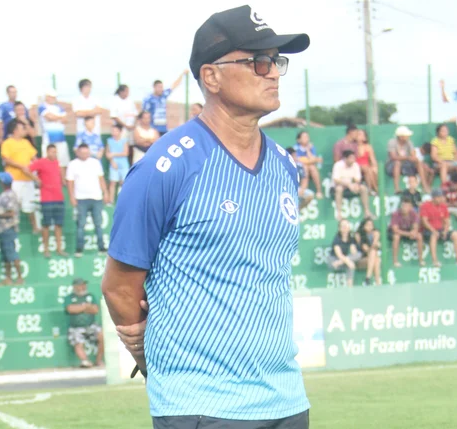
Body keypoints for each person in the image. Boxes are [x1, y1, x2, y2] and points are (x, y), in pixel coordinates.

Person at [102, 5, 311, 427]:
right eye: (258, 61)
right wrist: (153, 357)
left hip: (287, 400)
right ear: (211, 77)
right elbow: (119, 287)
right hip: (202, 405)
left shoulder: (285, 166)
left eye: (276, 61)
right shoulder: (167, 166)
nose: (272, 72)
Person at [66, 143, 108, 258]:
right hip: (81, 199)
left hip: (96, 198)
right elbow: (70, 182)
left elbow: (101, 179)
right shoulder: (72, 164)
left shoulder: (95, 163)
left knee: (98, 225)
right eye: (82, 152)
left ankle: (102, 248)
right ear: (77, 152)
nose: (85, 155)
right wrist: (71, 197)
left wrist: (105, 193)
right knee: (81, 225)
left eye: (87, 152)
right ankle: (79, 249)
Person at [1, 120, 40, 234]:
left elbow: (34, 158)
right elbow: (6, 159)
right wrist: (21, 166)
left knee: (30, 204)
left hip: (28, 179)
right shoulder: (7, 143)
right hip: (15, 179)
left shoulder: (26, 143)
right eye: (22, 128)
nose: (24, 131)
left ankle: (35, 227)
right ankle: (13, 228)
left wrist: (37, 168)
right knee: (13, 205)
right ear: (15, 130)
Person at [30, 144, 67, 258]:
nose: (54, 154)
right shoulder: (41, 162)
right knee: (46, 225)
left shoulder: (58, 163)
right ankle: (46, 249)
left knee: (58, 225)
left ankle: (59, 249)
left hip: (59, 198)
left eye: (55, 152)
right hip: (46, 199)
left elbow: (63, 180)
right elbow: (28, 169)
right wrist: (36, 179)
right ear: (47, 152)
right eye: (52, 152)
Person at [420, 189, 457, 267]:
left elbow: (447, 221)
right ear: (433, 198)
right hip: (428, 230)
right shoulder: (426, 206)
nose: (440, 199)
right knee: (434, 235)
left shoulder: (443, 206)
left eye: (441, 197)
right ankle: (435, 261)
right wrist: (433, 230)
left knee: (455, 234)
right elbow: (424, 222)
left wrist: (445, 231)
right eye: (438, 197)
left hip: (440, 229)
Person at [0, 172, 23, 285]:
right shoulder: (5, 194)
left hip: (8, 227)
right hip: (2, 229)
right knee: (5, 256)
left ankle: (19, 277)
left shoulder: (9, 195)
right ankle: (8, 278)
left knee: (12, 253)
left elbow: (11, 213)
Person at [64, 278, 104, 368]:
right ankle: (85, 361)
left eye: (84, 285)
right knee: (77, 341)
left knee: (102, 335)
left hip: (91, 325)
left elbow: (95, 309)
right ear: (75, 287)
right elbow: (70, 309)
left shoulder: (90, 296)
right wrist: (86, 306)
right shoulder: (69, 298)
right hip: (76, 327)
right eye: (80, 285)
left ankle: (98, 360)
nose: (83, 287)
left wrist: (80, 308)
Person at [386, 125, 431, 194]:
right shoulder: (392, 142)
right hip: (391, 165)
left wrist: (416, 159)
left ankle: (425, 186)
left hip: (405, 164)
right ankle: (397, 188)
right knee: (397, 163)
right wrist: (407, 157)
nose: (408, 137)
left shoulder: (409, 143)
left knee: (419, 162)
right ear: (401, 137)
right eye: (406, 135)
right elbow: (393, 157)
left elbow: (413, 155)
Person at [142, 71, 188, 136]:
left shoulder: (164, 95)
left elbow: (174, 85)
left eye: (162, 87)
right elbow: (144, 113)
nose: (161, 89)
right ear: (154, 87)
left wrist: (182, 74)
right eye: (159, 87)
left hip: (163, 127)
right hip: (153, 127)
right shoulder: (149, 99)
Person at [331, 150, 373, 220]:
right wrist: (348, 184)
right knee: (339, 189)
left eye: (353, 158)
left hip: (351, 186)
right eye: (351, 158)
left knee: (363, 188)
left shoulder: (355, 165)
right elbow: (336, 180)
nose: (353, 160)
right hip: (338, 186)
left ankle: (367, 212)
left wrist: (355, 184)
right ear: (345, 158)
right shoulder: (338, 165)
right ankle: (339, 213)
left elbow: (357, 179)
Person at [38, 89, 69, 179]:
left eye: (54, 97)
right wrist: (59, 118)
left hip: (60, 138)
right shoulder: (42, 107)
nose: (52, 99)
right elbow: (49, 117)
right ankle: (48, 179)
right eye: (50, 97)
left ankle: (63, 181)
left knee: (62, 161)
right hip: (48, 138)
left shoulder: (59, 107)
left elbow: (65, 120)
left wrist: (55, 118)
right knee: (47, 160)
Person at [390, 196, 424, 267]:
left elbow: (416, 226)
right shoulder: (396, 214)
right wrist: (409, 234)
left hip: (408, 231)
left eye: (406, 206)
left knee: (419, 236)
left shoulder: (413, 213)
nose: (404, 208)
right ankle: (395, 261)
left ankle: (421, 260)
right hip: (398, 232)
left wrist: (414, 232)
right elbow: (395, 230)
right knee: (396, 237)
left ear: (410, 207)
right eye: (403, 205)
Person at [327, 219, 362, 287]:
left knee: (357, 256)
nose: (345, 227)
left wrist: (354, 245)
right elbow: (339, 254)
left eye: (347, 225)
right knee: (350, 263)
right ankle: (344, 262)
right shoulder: (337, 239)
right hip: (334, 260)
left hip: (340, 261)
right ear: (339, 228)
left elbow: (354, 253)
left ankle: (350, 287)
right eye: (343, 226)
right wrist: (346, 261)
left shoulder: (351, 237)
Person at [294, 130, 323, 199]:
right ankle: (304, 190)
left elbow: (312, 158)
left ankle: (319, 191)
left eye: (307, 137)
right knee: (305, 167)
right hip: (299, 168)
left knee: (312, 167)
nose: (306, 138)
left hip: (310, 167)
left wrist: (307, 150)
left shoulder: (311, 148)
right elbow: (299, 160)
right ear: (299, 140)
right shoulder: (296, 148)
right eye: (304, 137)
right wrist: (315, 160)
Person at [105, 124, 130, 204]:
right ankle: (110, 201)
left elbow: (125, 153)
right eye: (113, 131)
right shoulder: (109, 141)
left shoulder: (124, 141)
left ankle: (124, 200)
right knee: (112, 182)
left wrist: (114, 154)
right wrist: (112, 161)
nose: (114, 133)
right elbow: (107, 153)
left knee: (124, 182)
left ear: (120, 132)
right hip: (113, 164)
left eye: (116, 131)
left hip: (124, 164)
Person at [354, 218, 381, 286]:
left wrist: (375, 239)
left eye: (371, 225)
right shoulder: (359, 235)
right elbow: (365, 249)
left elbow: (376, 245)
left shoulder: (375, 233)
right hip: (360, 259)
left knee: (377, 259)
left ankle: (369, 279)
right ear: (363, 226)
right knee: (373, 253)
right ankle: (374, 280)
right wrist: (374, 245)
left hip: (371, 259)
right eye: (368, 225)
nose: (370, 227)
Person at [355, 129, 378, 194]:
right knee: (366, 168)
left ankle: (372, 189)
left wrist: (375, 167)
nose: (357, 135)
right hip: (357, 167)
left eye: (360, 134)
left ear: (364, 138)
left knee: (372, 170)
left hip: (367, 167)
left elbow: (373, 159)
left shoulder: (368, 147)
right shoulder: (353, 146)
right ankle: (374, 189)